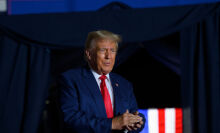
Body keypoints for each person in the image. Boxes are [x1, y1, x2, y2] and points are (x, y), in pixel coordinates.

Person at [59, 30, 145, 133]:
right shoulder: (71, 79)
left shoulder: (124, 84)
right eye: (103, 50)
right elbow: (70, 119)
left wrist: (138, 122)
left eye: (112, 50)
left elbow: (133, 113)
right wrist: (112, 124)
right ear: (89, 54)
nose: (108, 56)